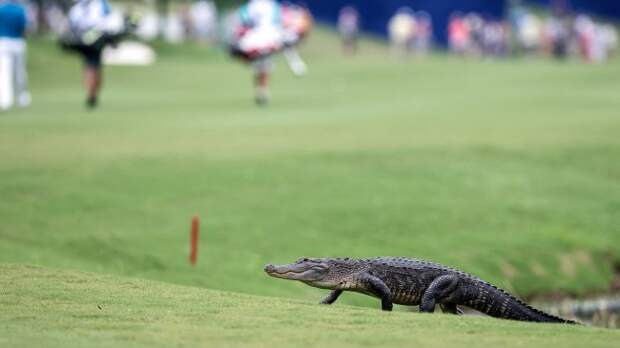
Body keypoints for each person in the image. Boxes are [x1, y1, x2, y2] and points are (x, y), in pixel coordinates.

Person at [62, 0, 131, 108]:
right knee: (93, 65)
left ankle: (91, 93)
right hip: (94, 37)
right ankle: (92, 94)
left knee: (90, 65)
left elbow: (72, 22)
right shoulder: (100, 4)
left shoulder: (80, 5)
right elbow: (109, 20)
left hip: (83, 37)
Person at [0, 0, 30, 111]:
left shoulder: (1, 9)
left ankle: (5, 101)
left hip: (2, 42)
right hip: (17, 42)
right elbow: (24, 28)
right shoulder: (20, 9)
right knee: (20, 72)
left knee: (4, 73)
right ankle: (23, 98)